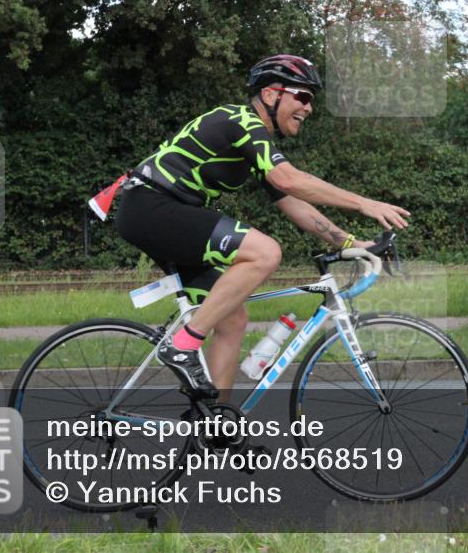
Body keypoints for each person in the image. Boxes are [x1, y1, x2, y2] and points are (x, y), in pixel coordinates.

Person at [116, 54, 410, 400]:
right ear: (271, 95)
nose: (309, 108)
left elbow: (293, 202)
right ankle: (182, 345)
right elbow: (289, 179)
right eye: (302, 96)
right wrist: (365, 203)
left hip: (160, 212)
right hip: (153, 207)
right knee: (265, 252)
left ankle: (218, 429)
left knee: (232, 318)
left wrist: (350, 242)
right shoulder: (240, 121)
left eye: (311, 100)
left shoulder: (256, 143)